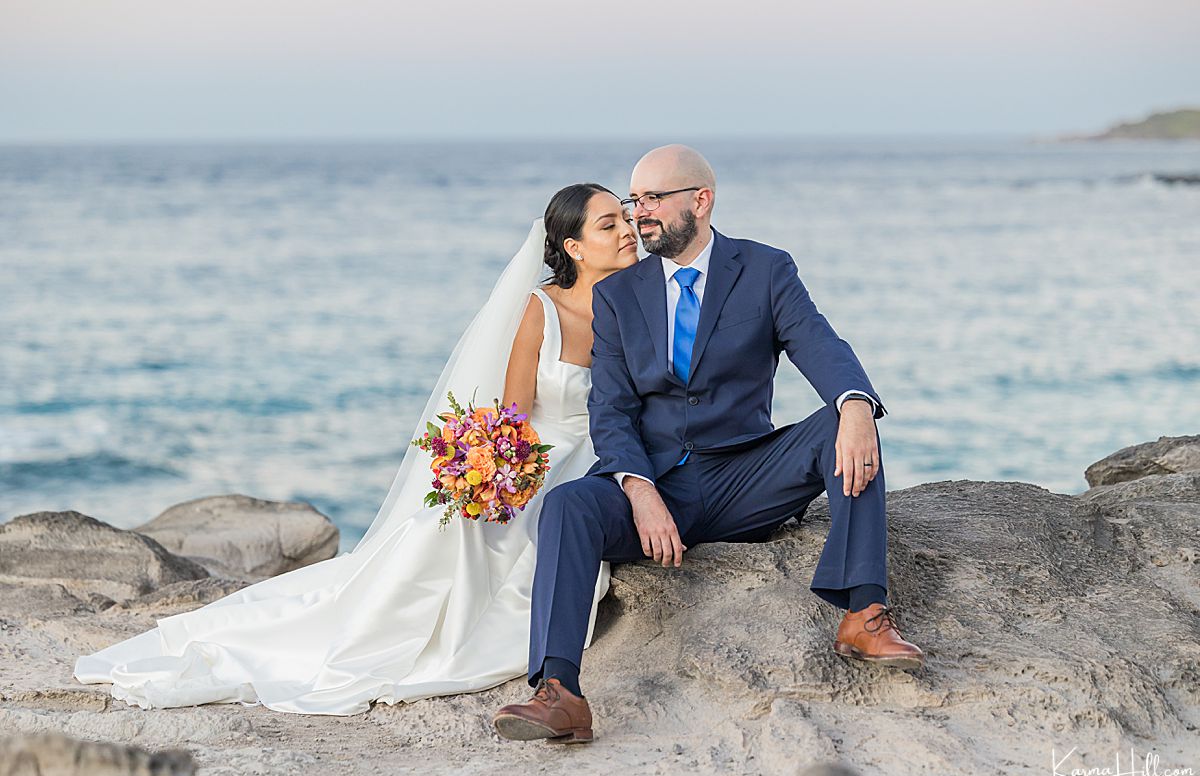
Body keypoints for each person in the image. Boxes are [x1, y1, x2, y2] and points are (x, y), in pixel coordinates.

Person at [73, 184, 640, 716]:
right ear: (573, 247)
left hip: (597, 456)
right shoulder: (540, 309)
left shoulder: (637, 301)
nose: (627, 231)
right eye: (608, 224)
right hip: (539, 455)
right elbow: (515, 413)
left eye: (626, 219)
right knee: (452, 536)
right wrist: (500, 476)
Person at [492, 145, 924, 745]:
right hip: (659, 483)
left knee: (846, 424)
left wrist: (855, 403)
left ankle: (864, 615)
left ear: (701, 200)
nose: (640, 215)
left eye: (652, 200)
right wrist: (638, 490)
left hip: (747, 476)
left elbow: (819, 343)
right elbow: (610, 409)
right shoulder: (620, 295)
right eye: (634, 200)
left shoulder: (766, 269)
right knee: (567, 503)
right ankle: (559, 692)